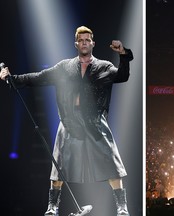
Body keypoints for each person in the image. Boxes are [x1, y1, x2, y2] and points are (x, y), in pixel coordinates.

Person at [0, 26, 133, 216]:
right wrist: (11, 79)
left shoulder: (103, 66)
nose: (84, 43)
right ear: (76, 44)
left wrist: (123, 53)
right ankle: (52, 207)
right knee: (58, 165)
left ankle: (122, 207)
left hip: (95, 121)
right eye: (81, 40)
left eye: (87, 40)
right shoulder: (65, 67)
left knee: (111, 163)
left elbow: (122, 76)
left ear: (92, 43)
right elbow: (38, 78)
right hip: (69, 121)